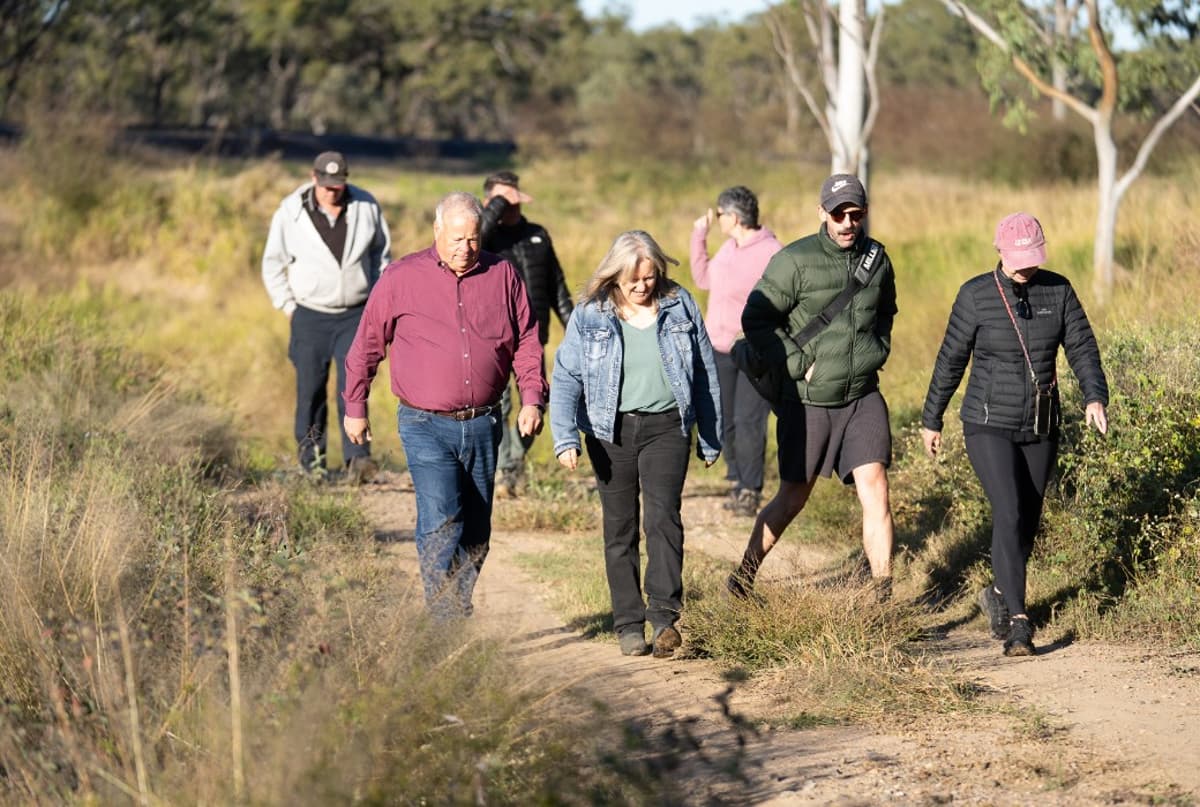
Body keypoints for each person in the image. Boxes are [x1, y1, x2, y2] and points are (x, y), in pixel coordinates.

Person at [342, 192, 547, 619]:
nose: (465, 248)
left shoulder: (502, 274)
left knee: (477, 532)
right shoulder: (401, 277)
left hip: (485, 421)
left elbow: (527, 339)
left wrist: (531, 397)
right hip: (424, 424)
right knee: (442, 518)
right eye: (456, 239)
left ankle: (455, 600)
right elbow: (366, 345)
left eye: (472, 239)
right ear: (437, 231)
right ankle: (443, 620)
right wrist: (355, 404)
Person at [920, 212, 1108, 657]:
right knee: (1008, 509)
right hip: (987, 424)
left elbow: (1082, 346)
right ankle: (1020, 625)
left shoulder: (1057, 289)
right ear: (999, 251)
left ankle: (1000, 595)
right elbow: (950, 360)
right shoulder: (975, 296)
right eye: (1019, 258)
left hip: (1041, 424)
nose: (1027, 266)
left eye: (1033, 257)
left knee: (1027, 519)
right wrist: (932, 418)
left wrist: (1093, 396)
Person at [727, 174, 898, 602]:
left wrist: (877, 350)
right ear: (822, 212)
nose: (847, 223)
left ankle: (882, 593)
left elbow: (886, 311)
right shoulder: (794, 260)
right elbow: (756, 321)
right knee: (792, 498)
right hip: (808, 403)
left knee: (875, 485)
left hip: (862, 394)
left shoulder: (877, 259)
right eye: (838, 213)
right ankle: (744, 576)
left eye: (855, 214)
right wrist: (799, 364)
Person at [550, 231, 722, 658]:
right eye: (634, 279)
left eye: (650, 277)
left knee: (664, 518)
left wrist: (711, 435)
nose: (643, 286)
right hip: (611, 432)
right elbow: (567, 376)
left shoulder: (679, 304)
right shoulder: (590, 314)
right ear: (615, 275)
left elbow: (704, 372)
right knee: (620, 526)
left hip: (668, 427)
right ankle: (628, 623)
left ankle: (664, 617)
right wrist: (565, 436)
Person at [261, 150, 392, 481]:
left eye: (339, 185)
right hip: (309, 314)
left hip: (355, 313)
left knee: (354, 386)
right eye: (326, 185)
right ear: (313, 177)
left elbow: (382, 254)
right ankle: (312, 463)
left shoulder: (366, 206)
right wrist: (288, 306)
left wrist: (376, 301)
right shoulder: (290, 212)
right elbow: (273, 262)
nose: (333, 191)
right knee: (310, 389)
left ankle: (358, 460)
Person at [480, 171, 574, 497]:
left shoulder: (537, 235)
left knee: (537, 402)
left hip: (533, 336)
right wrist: (497, 204)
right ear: (488, 203)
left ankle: (513, 462)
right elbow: (477, 232)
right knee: (500, 407)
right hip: (494, 338)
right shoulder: (484, 240)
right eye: (505, 201)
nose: (512, 207)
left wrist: (573, 328)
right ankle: (505, 471)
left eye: (515, 199)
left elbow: (557, 286)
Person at [691, 186, 784, 517]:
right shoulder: (728, 249)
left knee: (749, 420)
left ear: (733, 217)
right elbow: (703, 279)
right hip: (719, 347)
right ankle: (736, 481)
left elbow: (785, 300)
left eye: (719, 215)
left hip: (754, 349)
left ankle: (750, 489)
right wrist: (699, 237)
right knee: (724, 419)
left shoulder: (771, 251)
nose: (717, 220)